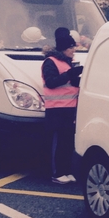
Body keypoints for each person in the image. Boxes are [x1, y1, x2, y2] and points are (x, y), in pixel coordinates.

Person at [42, 27, 84, 184]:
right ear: (64, 48)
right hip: (56, 109)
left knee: (67, 141)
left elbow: (69, 83)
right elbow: (51, 82)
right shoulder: (50, 62)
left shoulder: (67, 62)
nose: (74, 50)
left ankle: (66, 170)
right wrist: (69, 75)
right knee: (58, 142)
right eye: (71, 47)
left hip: (69, 107)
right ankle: (56, 173)